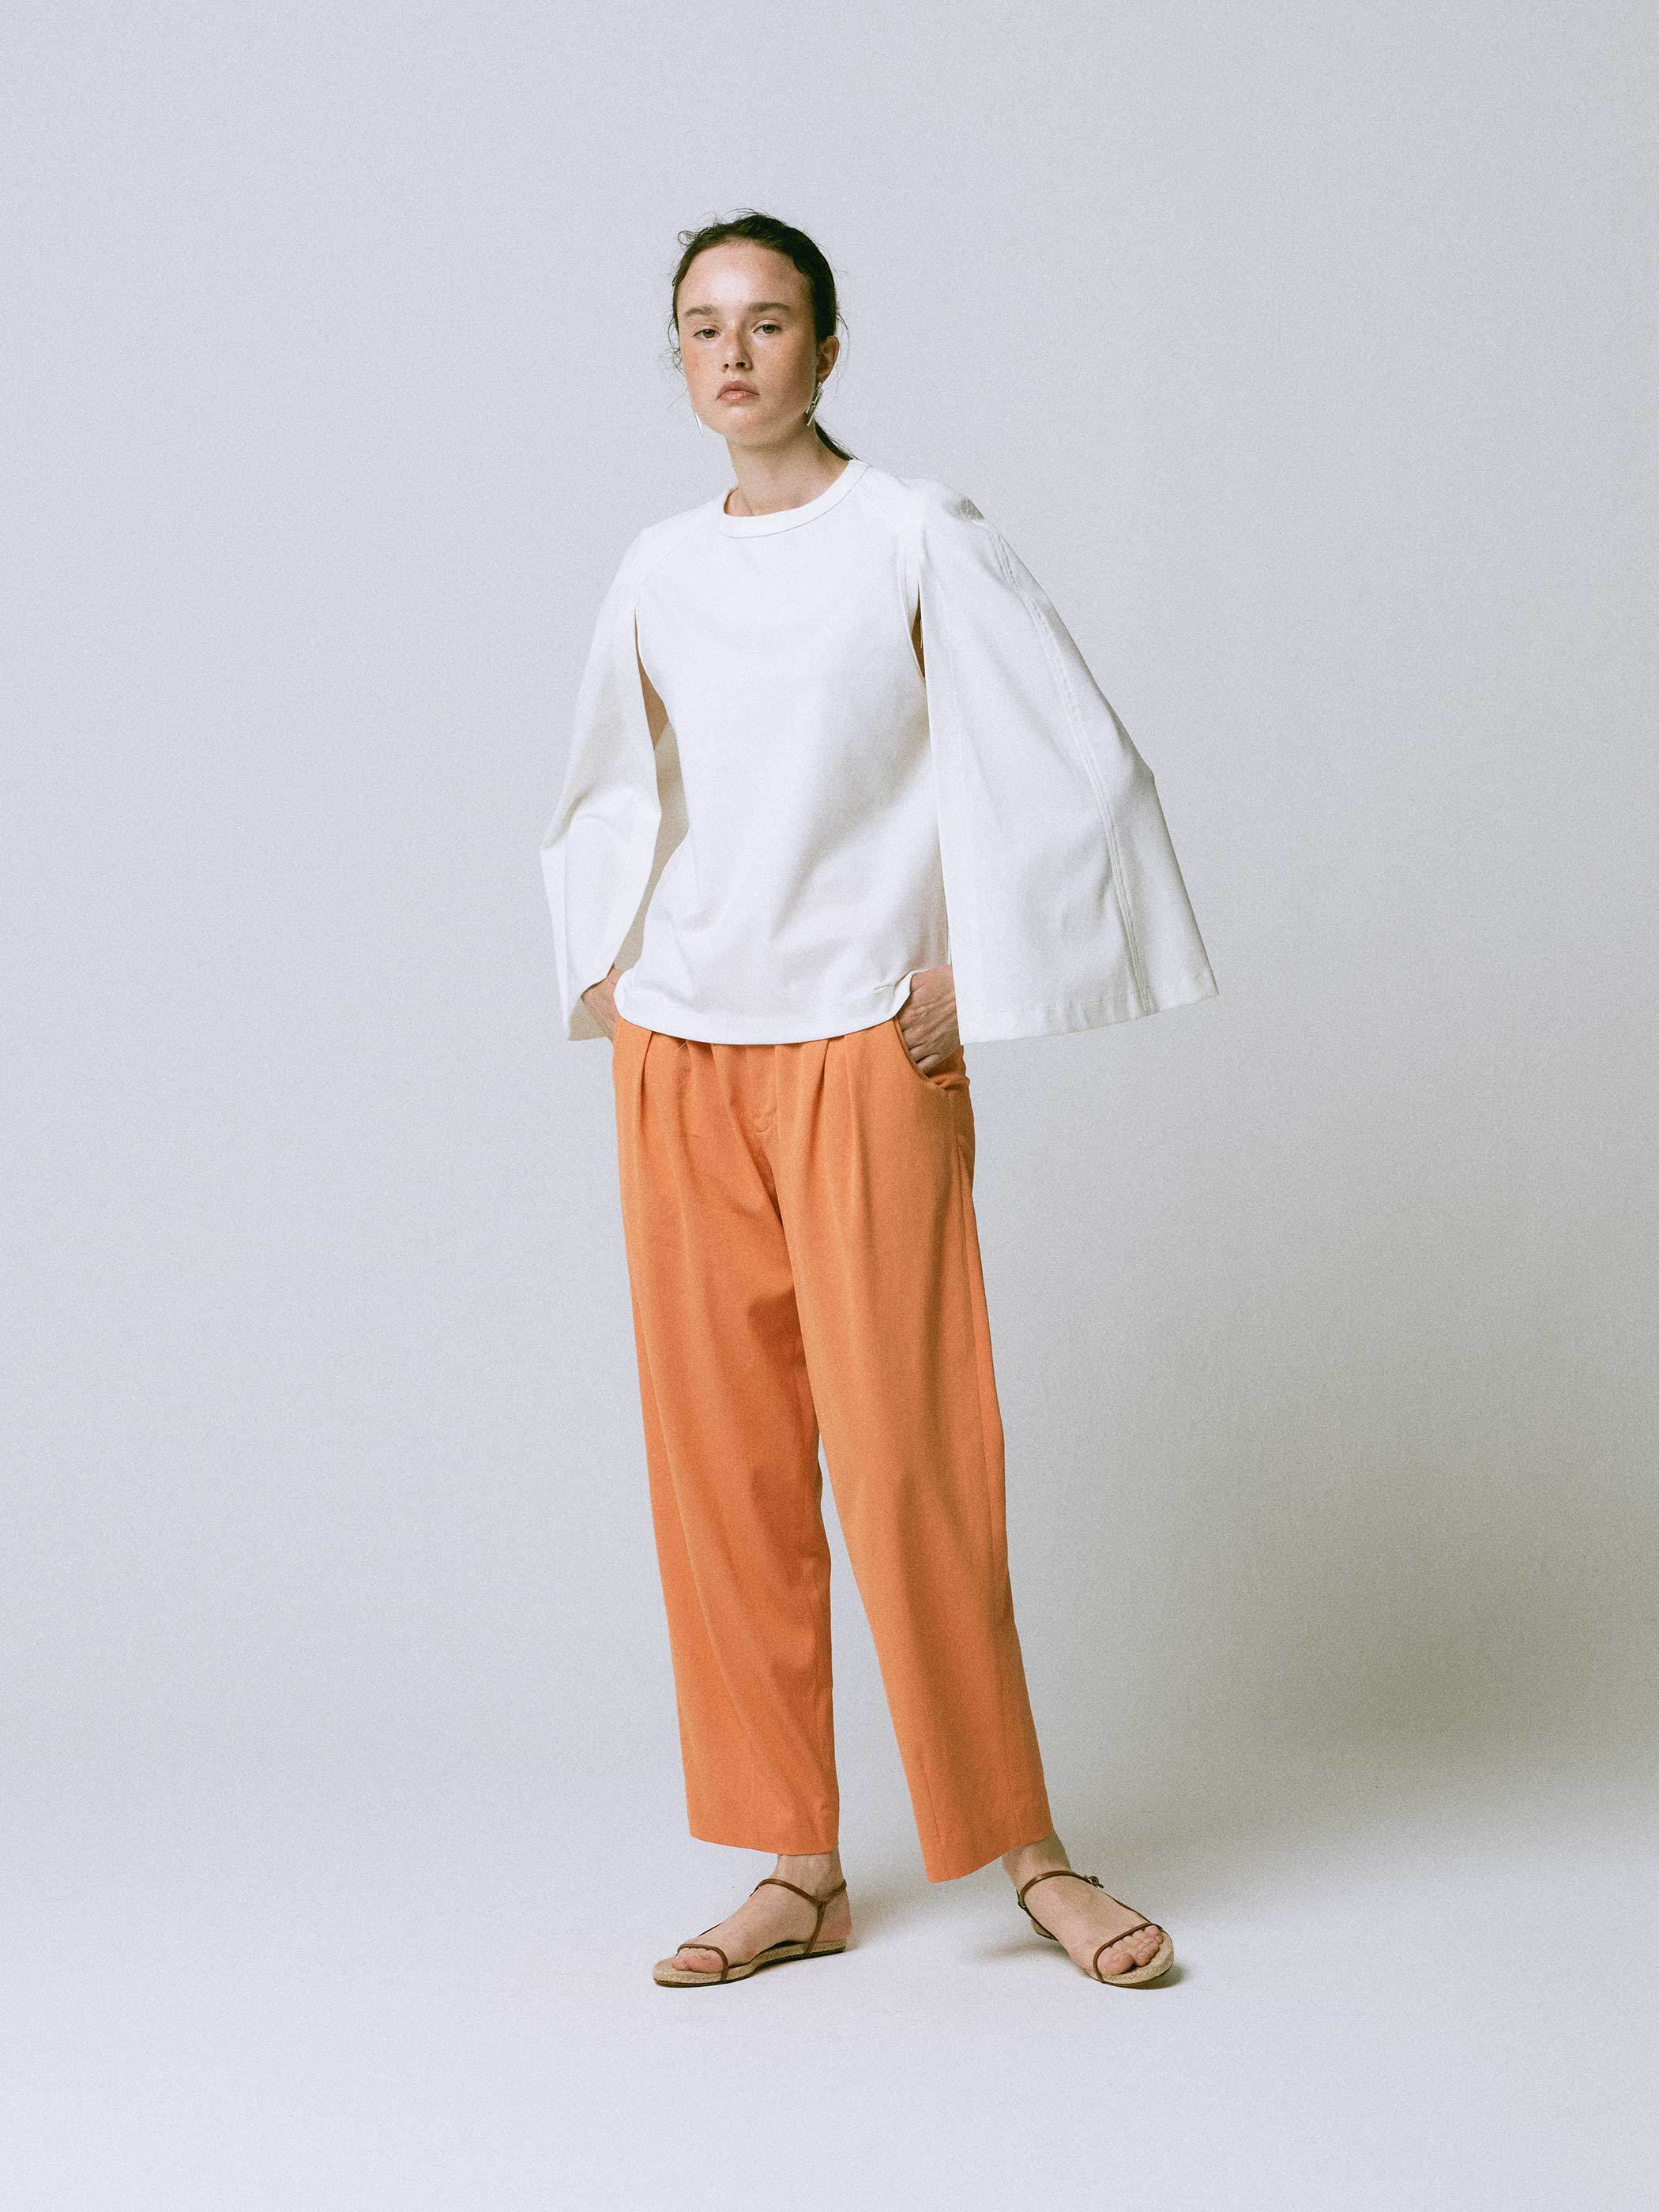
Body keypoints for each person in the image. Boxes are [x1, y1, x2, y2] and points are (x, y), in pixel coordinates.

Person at [539, 209, 1218, 1989]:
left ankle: (1033, 1853)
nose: (734, 353)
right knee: (727, 1470)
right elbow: (613, 783)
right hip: (688, 1056)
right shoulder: (658, 566)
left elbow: (1069, 757)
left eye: (768, 322)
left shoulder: (913, 533)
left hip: (862, 1040)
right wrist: (608, 963)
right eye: (703, 327)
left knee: (915, 1457)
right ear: (679, 358)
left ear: (828, 348)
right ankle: (797, 1866)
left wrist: (976, 968)